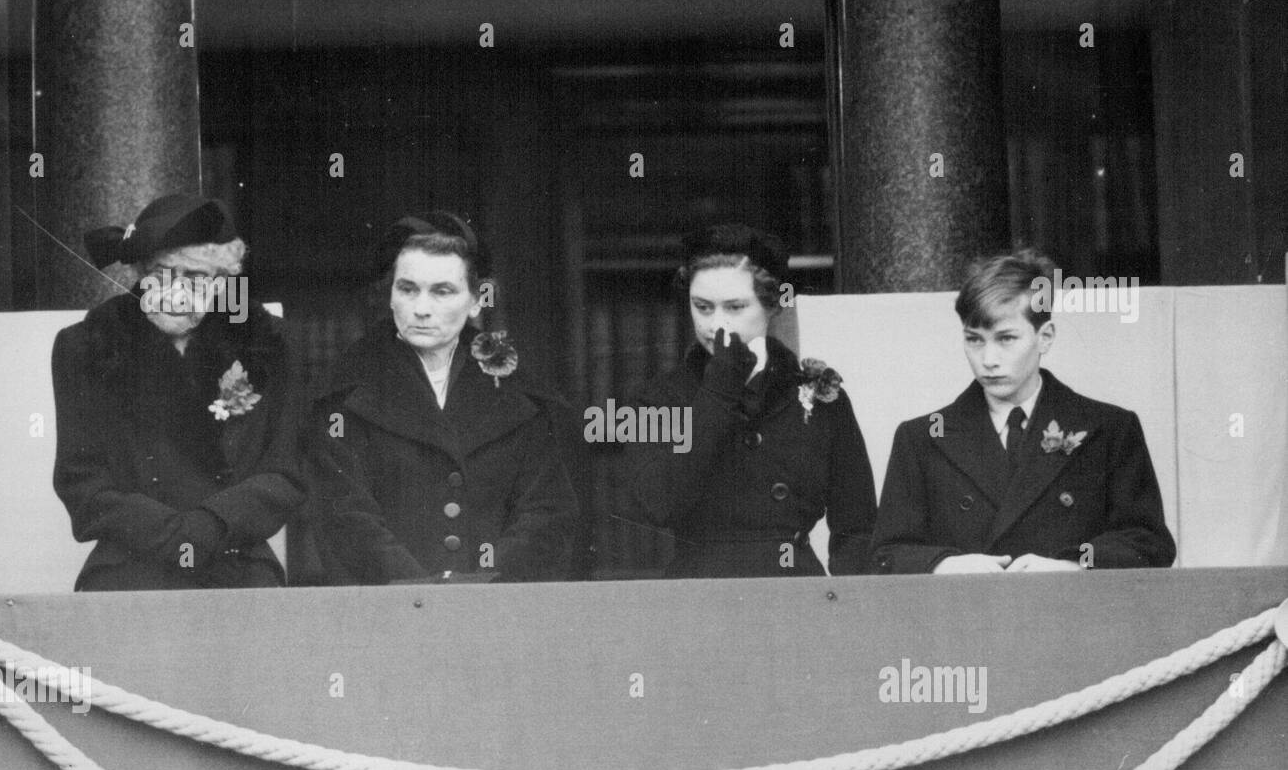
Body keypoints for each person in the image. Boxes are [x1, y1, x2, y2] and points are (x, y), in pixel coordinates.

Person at [52, 193, 305, 590]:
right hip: (129, 561)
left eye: (196, 278)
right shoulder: (87, 345)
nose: (175, 292)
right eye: (162, 272)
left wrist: (208, 527)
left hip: (237, 558)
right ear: (139, 271)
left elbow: (285, 474)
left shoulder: (269, 343)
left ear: (224, 282)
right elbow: (80, 480)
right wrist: (172, 535)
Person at [309, 212, 578, 583]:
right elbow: (345, 514)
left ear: (475, 301)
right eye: (407, 289)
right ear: (389, 296)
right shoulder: (343, 399)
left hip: (496, 609)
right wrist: (420, 593)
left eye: (442, 291)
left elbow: (546, 513)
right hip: (389, 609)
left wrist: (481, 585)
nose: (421, 308)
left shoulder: (523, 398)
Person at [870, 249, 1176, 574]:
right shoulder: (921, 437)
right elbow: (886, 554)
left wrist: (1074, 563)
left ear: (1045, 337)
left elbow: (1149, 543)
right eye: (974, 340)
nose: (988, 359)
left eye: (1006, 339)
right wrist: (944, 564)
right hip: (964, 616)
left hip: (1070, 616)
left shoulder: (1110, 428)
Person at [623, 223, 877, 577]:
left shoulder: (819, 398)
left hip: (794, 595)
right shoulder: (656, 400)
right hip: (698, 597)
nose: (717, 325)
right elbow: (660, 505)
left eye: (735, 307)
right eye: (703, 307)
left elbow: (857, 527)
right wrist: (717, 391)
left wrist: (847, 608)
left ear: (771, 306)